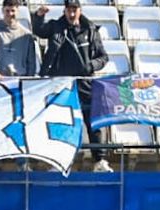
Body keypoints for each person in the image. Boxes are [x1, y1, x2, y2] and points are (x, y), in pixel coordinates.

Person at [33, 0, 108, 169]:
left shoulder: (90, 29)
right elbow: (39, 30)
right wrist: (38, 16)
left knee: (93, 122)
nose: (72, 14)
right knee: (60, 122)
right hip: (61, 85)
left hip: (85, 83)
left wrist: (91, 66)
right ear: (64, 10)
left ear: (80, 10)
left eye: (75, 10)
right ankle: (59, 162)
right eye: (69, 10)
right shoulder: (56, 27)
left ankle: (99, 160)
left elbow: (103, 57)